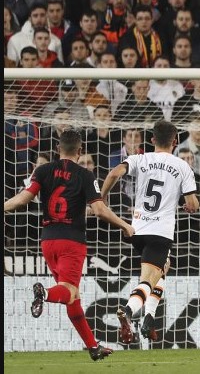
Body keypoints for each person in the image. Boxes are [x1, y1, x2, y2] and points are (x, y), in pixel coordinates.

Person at [3, 129, 134, 361]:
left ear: (57, 149)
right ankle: (43, 293)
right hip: (72, 241)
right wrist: (124, 225)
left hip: (47, 240)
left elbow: (23, 199)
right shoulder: (85, 175)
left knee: (73, 298)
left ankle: (93, 347)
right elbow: (99, 210)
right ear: (80, 150)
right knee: (68, 291)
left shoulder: (42, 170)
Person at [100, 120, 200, 344]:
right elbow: (193, 205)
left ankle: (149, 318)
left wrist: (102, 197)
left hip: (137, 230)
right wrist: (188, 204)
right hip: (160, 232)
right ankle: (128, 310)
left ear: (153, 140)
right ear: (175, 142)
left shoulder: (139, 158)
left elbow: (114, 173)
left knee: (164, 266)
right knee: (148, 280)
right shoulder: (182, 165)